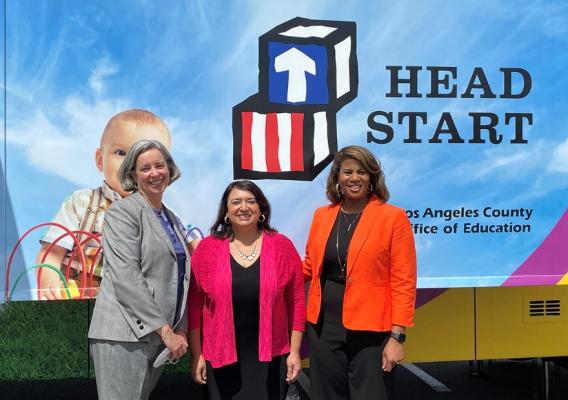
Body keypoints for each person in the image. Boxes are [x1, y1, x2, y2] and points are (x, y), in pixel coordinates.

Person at [36, 109, 198, 300]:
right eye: (122, 153)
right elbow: (51, 253)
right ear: (100, 160)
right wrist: (50, 285)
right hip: (78, 301)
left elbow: (197, 251)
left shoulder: (168, 217)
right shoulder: (81, 203)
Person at [303, 145, 417, 400]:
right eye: (348, 172)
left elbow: (403, 280)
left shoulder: (393, 217)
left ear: (372, 177)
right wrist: (265, 267)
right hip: (324, 326)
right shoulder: (322, 216)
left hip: (372, 329)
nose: (354, 178)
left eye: (362, 172)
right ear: (337, 178)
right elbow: (310, 265)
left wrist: (397, 337)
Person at [88, 139, 190, 400]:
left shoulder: (171, 218)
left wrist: (181, 329)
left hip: (155, 337)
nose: (154, 173)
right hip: (124, 336)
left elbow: (182, 278)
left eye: (160, 165)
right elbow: (126, 277)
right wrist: (166, 331)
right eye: (145, 168)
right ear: (132, 175)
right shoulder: (122, 213)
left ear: (170, 169)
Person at [188, 180, 305, 400]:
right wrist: (197, 354)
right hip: (220, 355)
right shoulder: (207, 249)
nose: (244, 207)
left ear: (261, 208)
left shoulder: (282, 246)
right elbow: (194, 305)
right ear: (226, 211)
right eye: (236, 202)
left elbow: (296, 300)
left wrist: (295, 352)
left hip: (271, 357)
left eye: (251, 201)